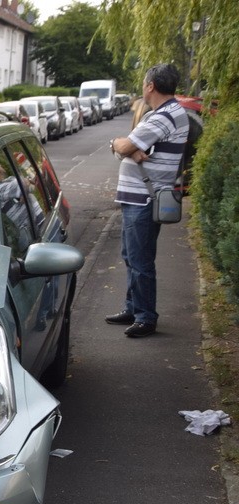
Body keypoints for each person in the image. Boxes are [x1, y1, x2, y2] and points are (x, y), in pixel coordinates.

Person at [107, 63, 189, 338]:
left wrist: (120, 145)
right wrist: (126, 148)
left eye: (144, 83)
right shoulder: (165, 113)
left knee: (140, 260)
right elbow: (129, 149)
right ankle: (133, 308)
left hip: (144, 199)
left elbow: (126, 146)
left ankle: (145, 317)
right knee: (131, 256)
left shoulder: (162, 117)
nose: (143, 87)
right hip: (140, 197)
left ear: (150, 86)